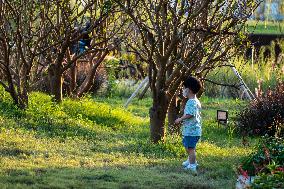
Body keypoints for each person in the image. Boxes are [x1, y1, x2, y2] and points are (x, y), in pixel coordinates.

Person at [175, 76, 202, 173]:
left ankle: (193, 166)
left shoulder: (191, 102)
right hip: (192, 130)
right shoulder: (196, 101)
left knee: (190, 148)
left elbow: (190, 114)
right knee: (188, 146)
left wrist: (180, 119)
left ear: (189, 90)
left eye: (183, 88)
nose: (183, 90)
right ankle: (191, 160)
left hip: (192, 131)